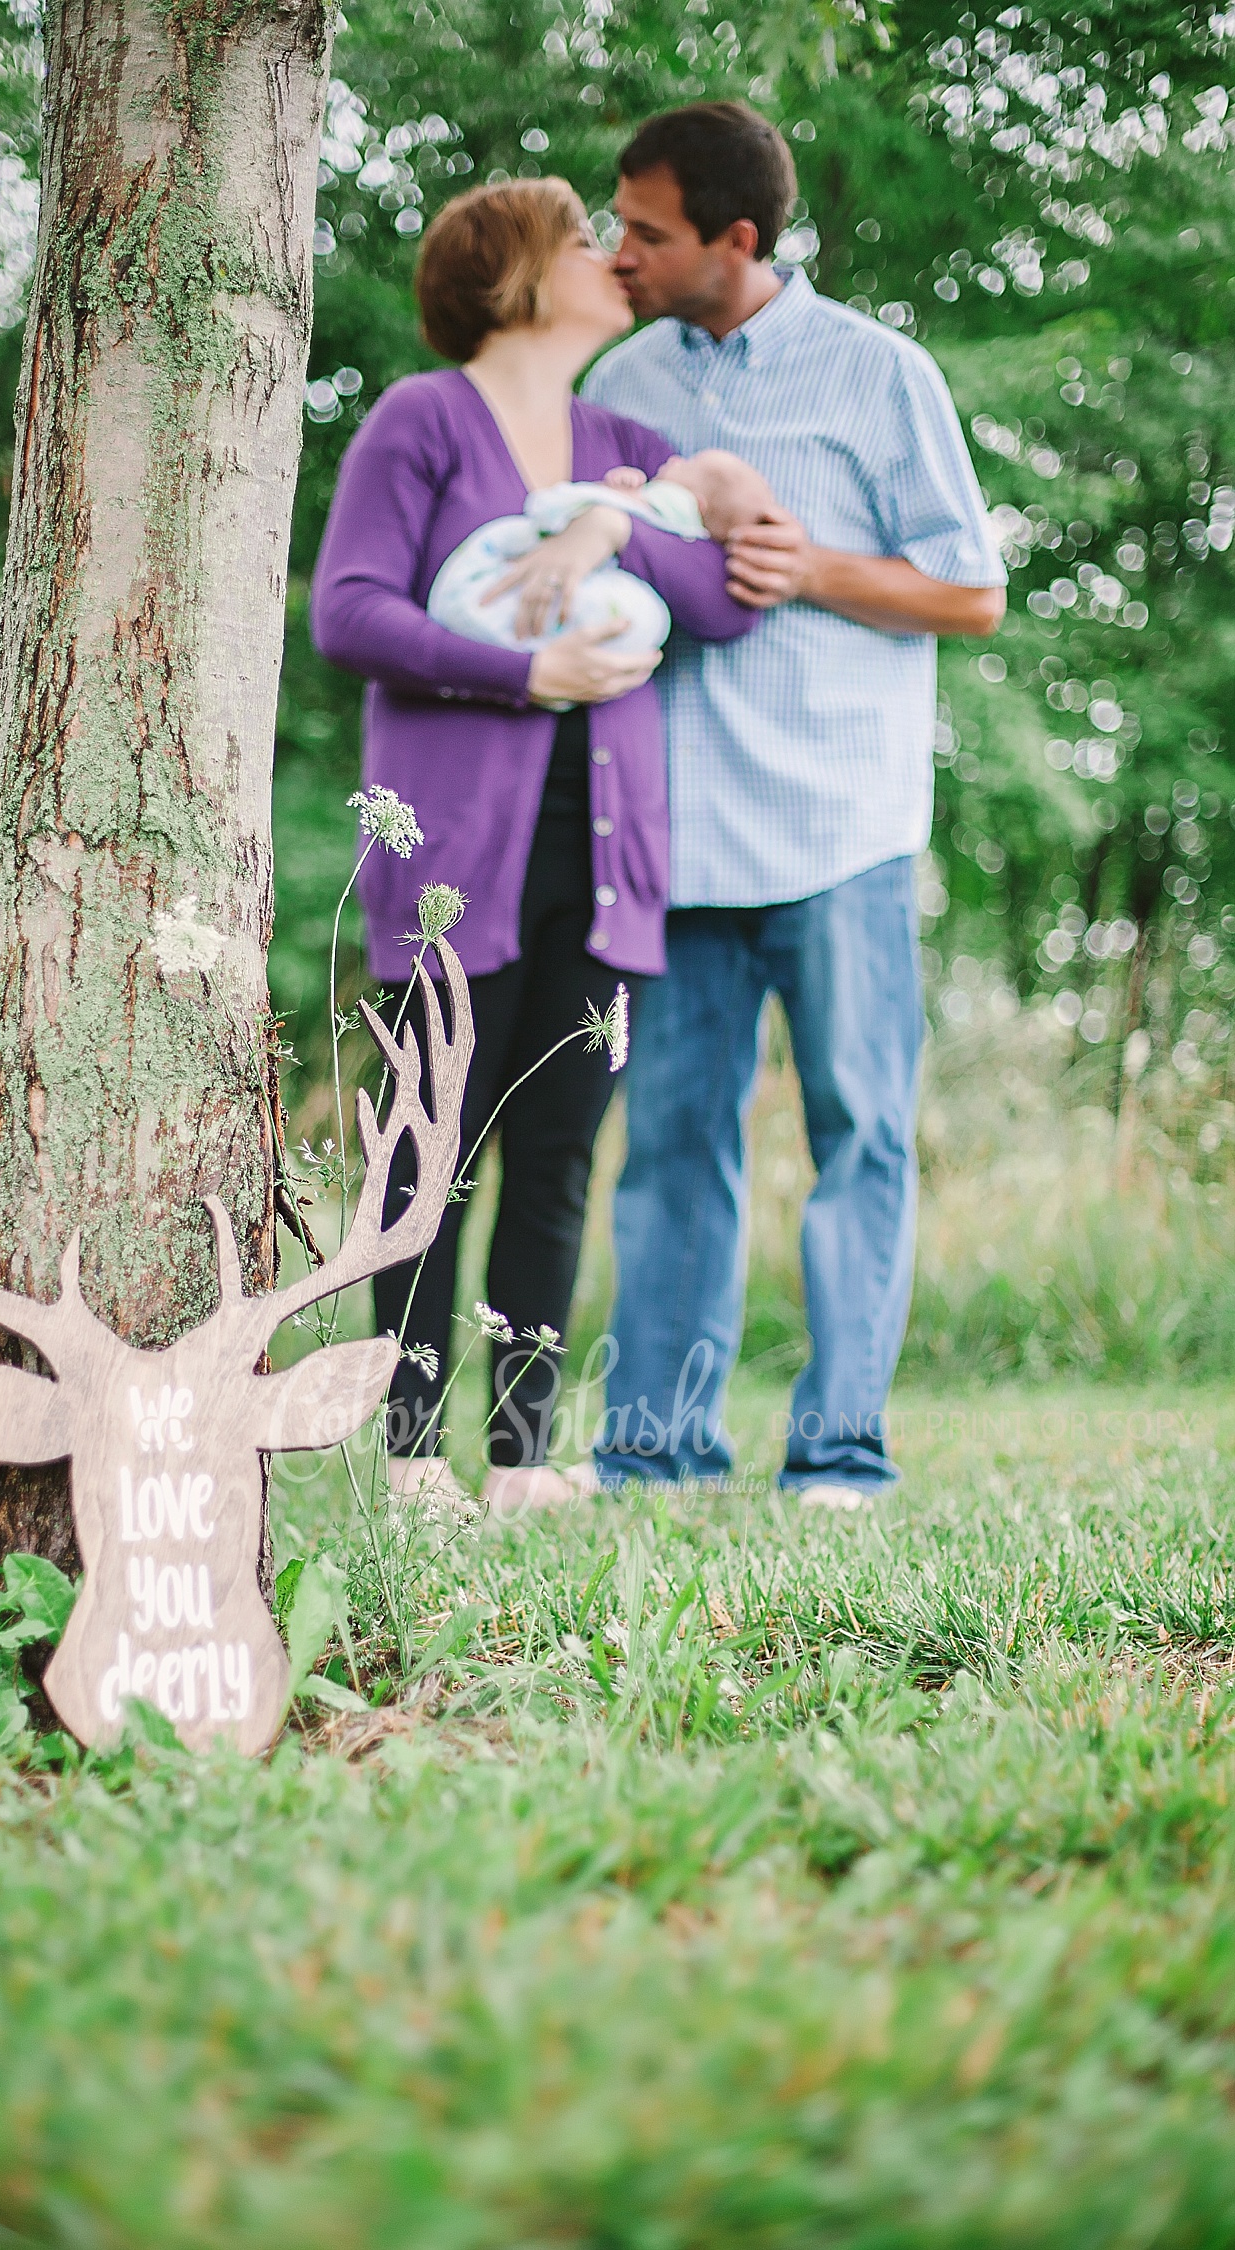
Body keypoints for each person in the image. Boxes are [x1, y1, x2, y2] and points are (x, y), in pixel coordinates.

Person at [309, 176, 758, 1516]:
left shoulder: (622, 435)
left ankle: (518, 1458)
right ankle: (403, 1458)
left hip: (609, 863)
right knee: (426, 1157)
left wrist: (613, 516)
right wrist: (523, 674)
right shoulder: (420, 420)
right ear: (511, 275)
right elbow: (349, 612)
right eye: (581, 240)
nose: (610, 257)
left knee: (557, 1152)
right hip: (453, 856)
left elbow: (724, 603)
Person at [582, 102, 1006, 1504]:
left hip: (844, 834)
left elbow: (972, 592)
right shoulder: (621, 378)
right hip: (678, 838)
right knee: (671, 1154)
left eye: (644, 230)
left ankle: (838, 1454)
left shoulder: (879, 374)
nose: (617, 250)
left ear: (736, 239)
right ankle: (657, 1451)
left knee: (860, 1139)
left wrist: (807, 565)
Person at [427, 447, 779, 659]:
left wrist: (610, 508)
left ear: (695, 502)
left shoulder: (669, 510)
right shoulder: (684, 540)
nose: (672, 459)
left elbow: (563, 506)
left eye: (686, 465)